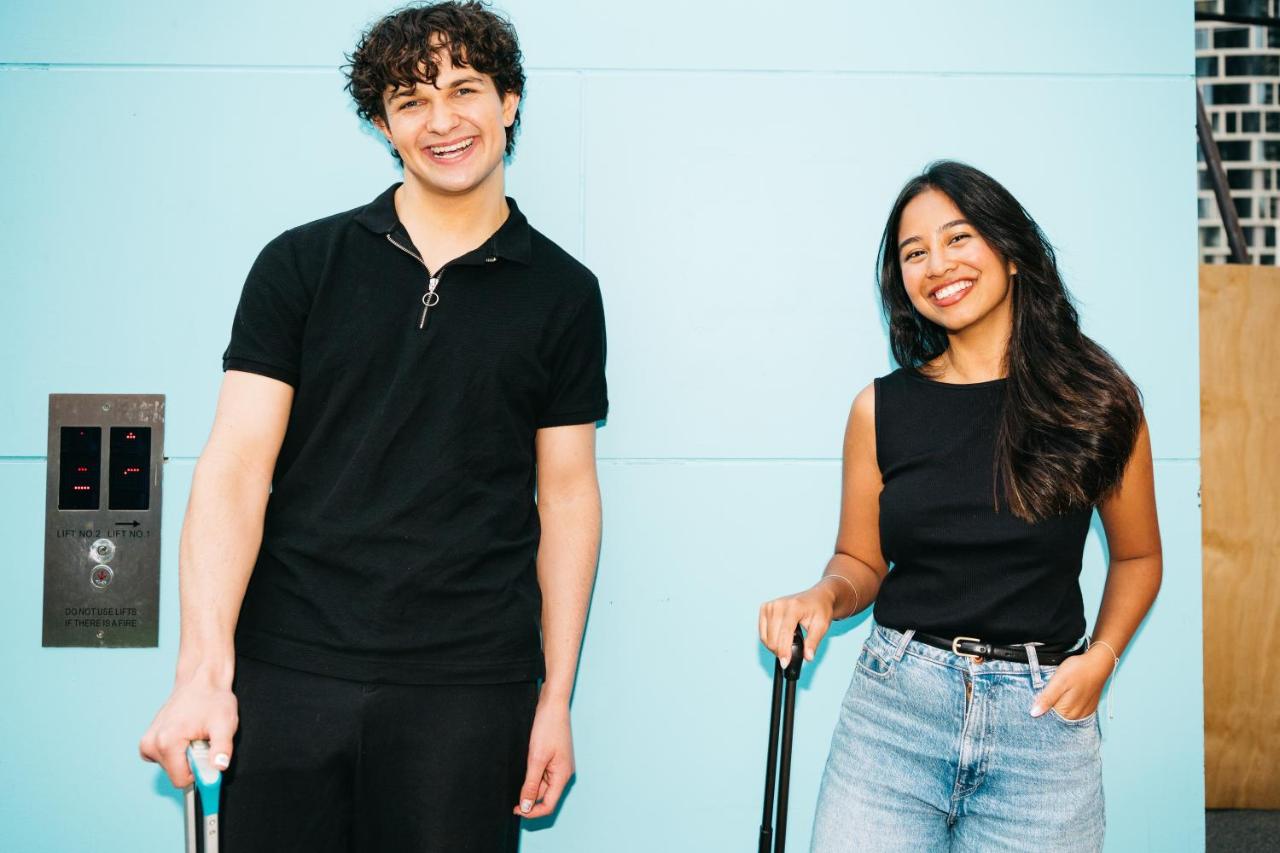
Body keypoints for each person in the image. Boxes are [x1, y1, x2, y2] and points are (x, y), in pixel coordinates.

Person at [138, 3, 608, 850]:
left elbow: (568, 497)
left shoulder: (564, 293)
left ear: (509, 102)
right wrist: (202, 672)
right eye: (411, 100)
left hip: (469, 686)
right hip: (287, 669)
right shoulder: (300, 264)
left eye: (464, 89)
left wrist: (555, 699)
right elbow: (236, 467)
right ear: (384, 126)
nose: (442, 120)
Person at [758, 160, 1161, 852]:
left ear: (1011, 250)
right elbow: (859, 560)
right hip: (895, 715)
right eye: (914, 253)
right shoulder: (879, 408)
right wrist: (822, 596)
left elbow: (1139, 556)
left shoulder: (1096, 400)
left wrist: (1102, 659)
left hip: (1042, 725)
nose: (937, 264)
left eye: (958, 237)